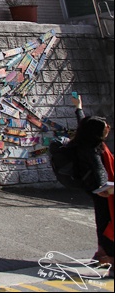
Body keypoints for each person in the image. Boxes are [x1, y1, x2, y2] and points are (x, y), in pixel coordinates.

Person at [71, 93, 114, 272]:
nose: (108, 128)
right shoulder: (95, 150)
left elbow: (83, 124)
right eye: (105, 127)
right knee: (108, 224)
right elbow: (100, 171)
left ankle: (101, 254)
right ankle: (109, 258)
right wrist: (107, 189)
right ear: (97, 133)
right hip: (104, 193)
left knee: (102, 222)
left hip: (94, 190)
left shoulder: (84, 140)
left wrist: (78, 107)